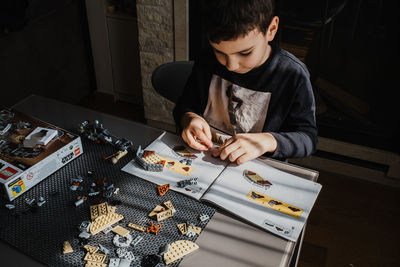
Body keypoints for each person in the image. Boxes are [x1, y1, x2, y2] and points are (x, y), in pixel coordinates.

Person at [173, 0, 317, 164]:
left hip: (258, 169)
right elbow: (184, 105)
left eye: (245, 53)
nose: (231, 65)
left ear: (271, 29)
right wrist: (189, 118)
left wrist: (265, 141)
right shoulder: (207, 59)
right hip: (203, 161)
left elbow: (308, 138)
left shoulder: (292, 75)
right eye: (219, 52)